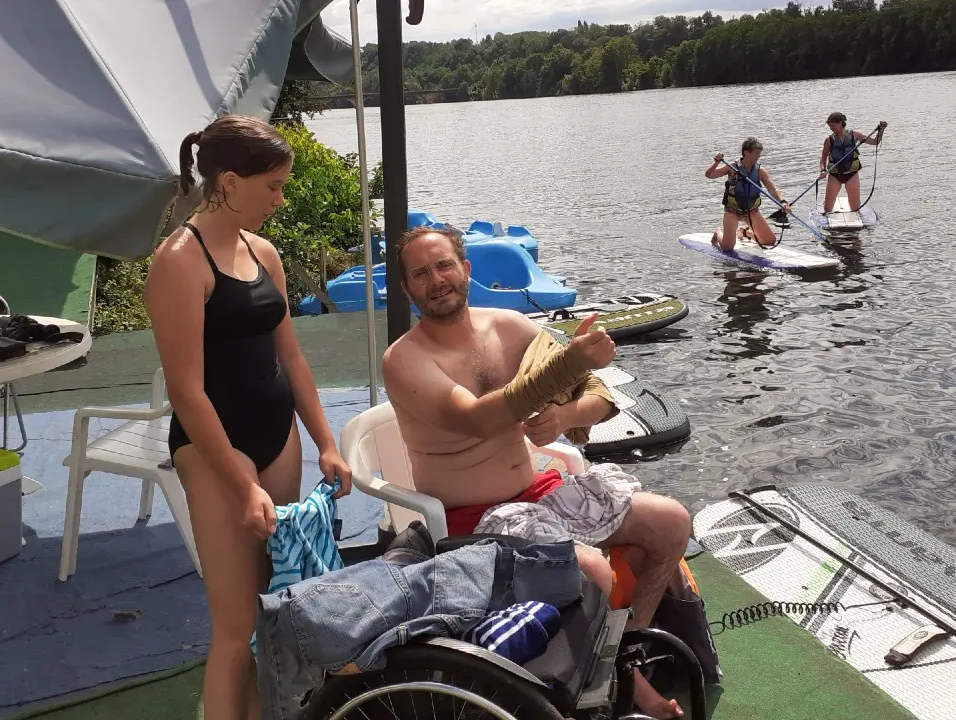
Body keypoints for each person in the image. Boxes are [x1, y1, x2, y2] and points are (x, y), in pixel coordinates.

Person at [381, 226, 694, 719]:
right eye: (420, 273)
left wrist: (565, 417)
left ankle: (624, 654)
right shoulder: (403, 360)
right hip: (474, 521)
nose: (436, 279)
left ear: (466, 269)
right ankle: (615, 680)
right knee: (588, 567)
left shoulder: (508, 326)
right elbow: (478, 418)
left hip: (541, 493)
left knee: (671, 520)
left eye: (444, 265)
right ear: (406, 289)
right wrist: (570, 356)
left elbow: (599, 394)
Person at [144, 114, 352, 720]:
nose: (280, 200)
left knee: (275, 608)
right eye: (273, 187)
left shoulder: (263, 252)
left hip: (277, 438)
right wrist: (240, 482)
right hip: (216, 450)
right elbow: (186, 391)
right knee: (235, 627)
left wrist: (325, 442)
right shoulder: (179, 262)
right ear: (230, 182)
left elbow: (290, 353)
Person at [705, 137, 791, 251]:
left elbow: (772, 189)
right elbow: (710, 175)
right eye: (756, 153)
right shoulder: (732, 167)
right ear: (746, 152)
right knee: (727, 247)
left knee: (769, 241)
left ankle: (745, 232)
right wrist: (716, 162)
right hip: (732, 211)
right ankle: (718, 233)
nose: (758, 156)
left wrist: (782, 202)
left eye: (759, 153)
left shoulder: (760, 171)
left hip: (752, 211)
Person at [819, 112, 887, 215]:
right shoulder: (829, 140)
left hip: (851, 174)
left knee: (855, 209)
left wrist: (881, 130)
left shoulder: (854, 135)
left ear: (841, 123)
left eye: (833, 125)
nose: (831, 128)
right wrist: (823, 170)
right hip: (835, 175)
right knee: (827, 209)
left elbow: (875, 142)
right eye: (830, 126)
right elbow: (823, 159)